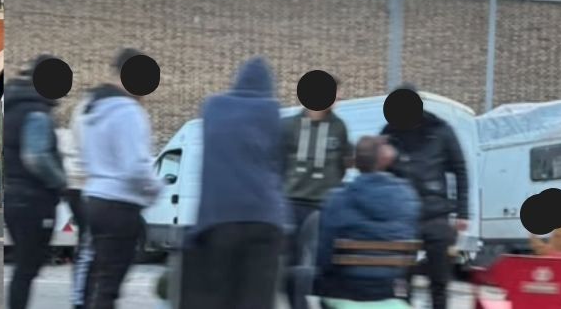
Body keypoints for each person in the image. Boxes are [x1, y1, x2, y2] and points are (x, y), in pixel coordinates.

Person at [180, 56, 288, 309]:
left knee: (216, 295)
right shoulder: (273, 112)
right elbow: (281, 168)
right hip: (264, 219)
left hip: (218, 218)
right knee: (255, 300)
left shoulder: (212, 107)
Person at [81, 48, 162, 309]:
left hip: (95, 199)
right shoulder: (128, 111)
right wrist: (155, 189)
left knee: (97, 279)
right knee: (108, 287)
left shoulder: (91, 108)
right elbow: (136, 166)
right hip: (120, 205)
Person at [380, 85, 469, 309]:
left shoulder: (440, 130)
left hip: (435, 212)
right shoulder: (389, 132)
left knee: (439, 279)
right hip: (403, 216)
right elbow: (381, 173)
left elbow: (460, 168)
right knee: (401, 280)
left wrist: (463, 211)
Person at [315, 136, 420, 302]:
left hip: (345, 288)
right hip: (388, 288)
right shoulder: (406, 195)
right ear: (386, 161)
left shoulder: (338, 198)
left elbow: (324, 255)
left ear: (355, 162)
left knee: (300, 277)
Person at [282, 79, 353, 309]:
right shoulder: (290, 126)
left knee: (324, 264)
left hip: (324, 207)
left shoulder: (338, 127)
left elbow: (345, 163)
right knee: (291, 266)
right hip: (292, 204)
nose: (338, 100)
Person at [4, 56, 67, 309]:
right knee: (27, 269)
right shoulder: (36, 112)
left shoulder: (14, 108)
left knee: (24, 268)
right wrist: (61, 182)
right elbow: (36, 156)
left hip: (15, 196)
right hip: (33, 200)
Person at [59, 90, 94, 309]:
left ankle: (80, 296)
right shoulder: (93, 112)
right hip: (83, 184)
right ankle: (80, 298)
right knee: (89, 244)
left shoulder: (80, 110)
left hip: (74, 183)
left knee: (86, 243)